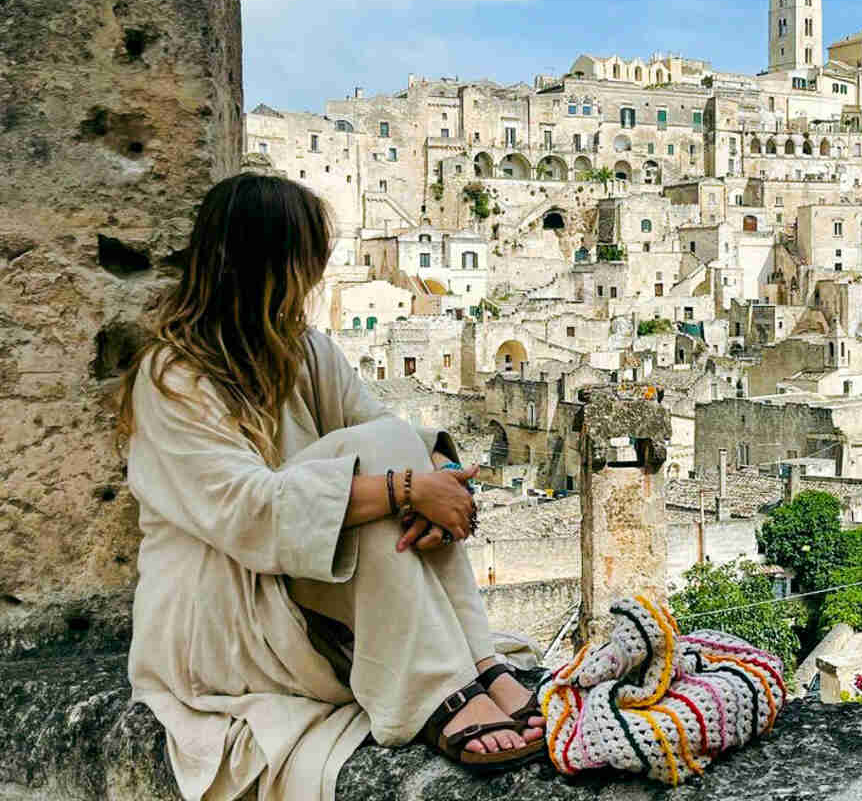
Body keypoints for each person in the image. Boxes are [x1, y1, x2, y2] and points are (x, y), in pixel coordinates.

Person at [116, 174, 545, 801]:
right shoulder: (173, 377)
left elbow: (386, 435)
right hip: (222, 607)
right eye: (308, 258)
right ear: (270, 262)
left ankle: (477, 664)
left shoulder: (308, 352)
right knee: (389, 464)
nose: (316, 277)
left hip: (306, 587)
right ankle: (437, 691)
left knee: (394, 441)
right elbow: (249, 514)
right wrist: (404, 492)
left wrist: (438, 480)